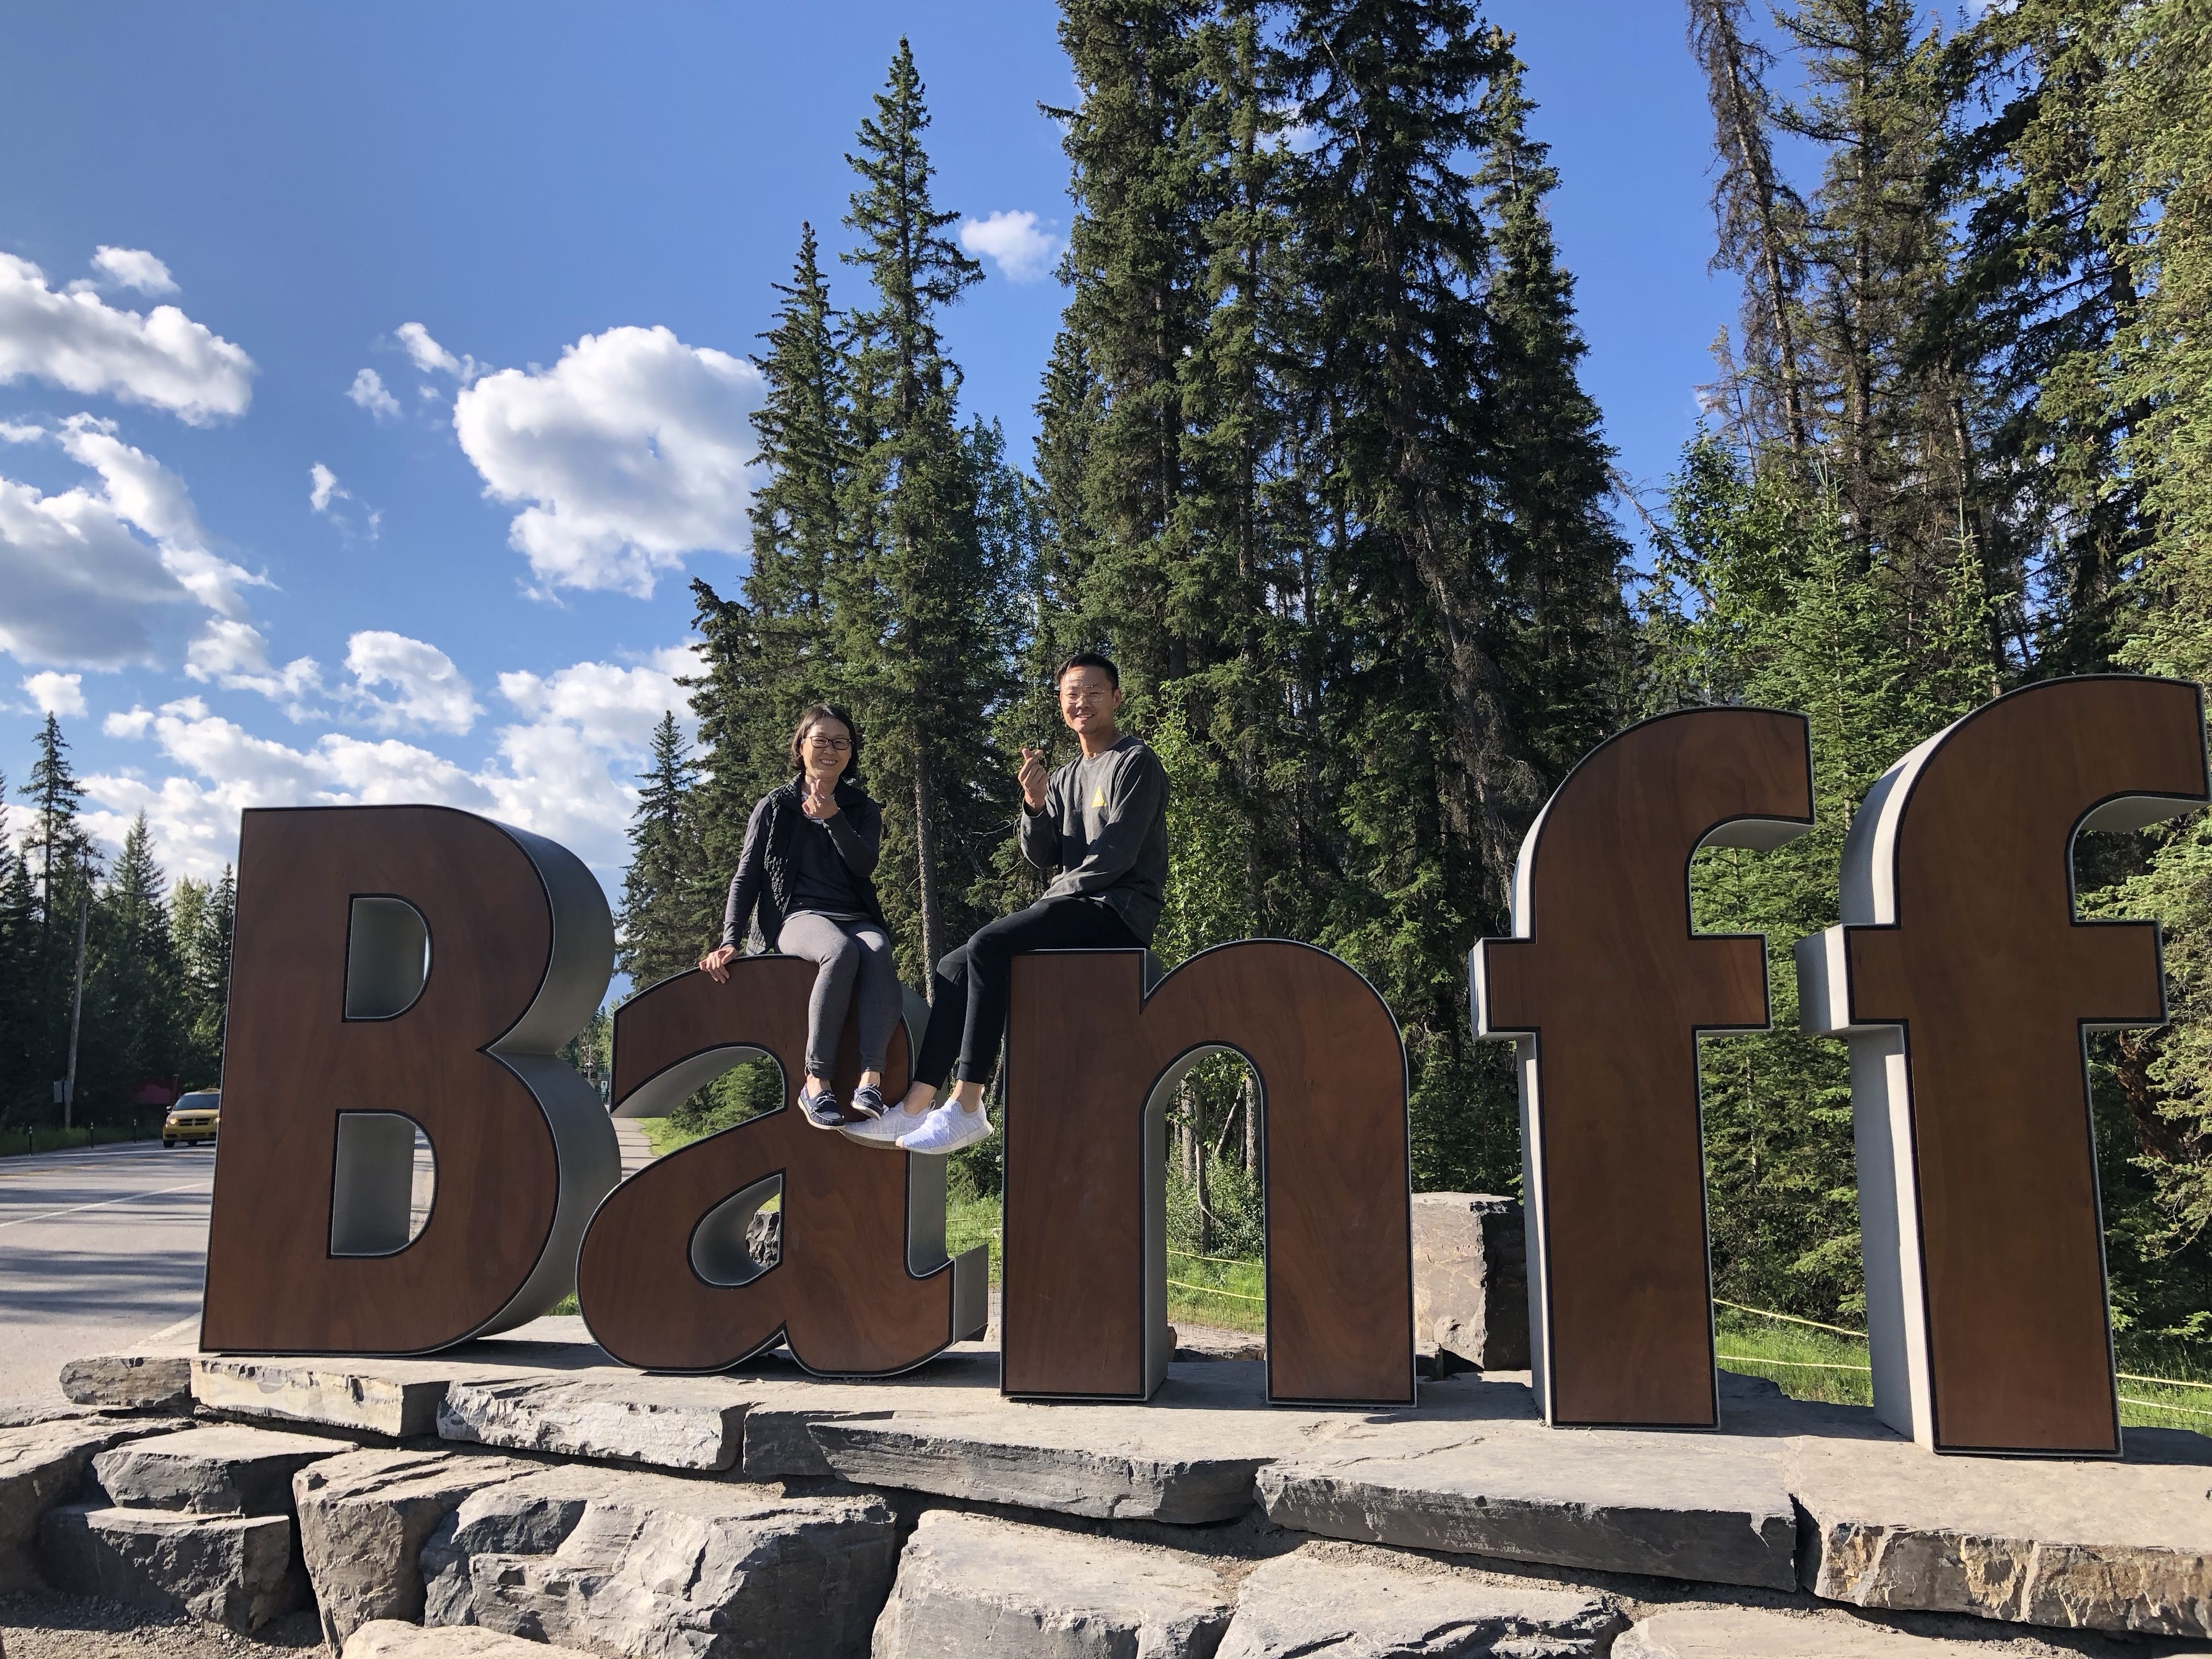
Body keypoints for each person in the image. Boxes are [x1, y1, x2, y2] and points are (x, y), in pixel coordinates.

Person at [845, 651, 1169, 1155]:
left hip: (1118, 910)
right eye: (1072, 694)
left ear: (1116, 698)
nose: (1082, 702)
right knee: (954, 966)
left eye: (1093, 692)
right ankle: (916, 1104)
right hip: (1075, 905)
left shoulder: (1135, 762)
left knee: (989, 944)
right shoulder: (1064, 775)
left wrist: (1048, 901)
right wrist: (1035, 806)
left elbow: (1117, 856)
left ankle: (968, 1105)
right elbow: (1042, 855)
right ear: (1061, 703)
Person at [698, 705, 902, 1131]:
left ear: (851, 753)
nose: (831, 750)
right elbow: (746, 876)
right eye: (821, 740)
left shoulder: (862, 807)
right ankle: (816, 1082)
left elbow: (865, 864)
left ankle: (870, 1079)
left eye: (841, 743)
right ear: (801, 746)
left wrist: (834, 819)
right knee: (839, 952)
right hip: (796, 917)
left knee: (878, 948)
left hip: (855, 915)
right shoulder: (776, 806)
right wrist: (730, 939)